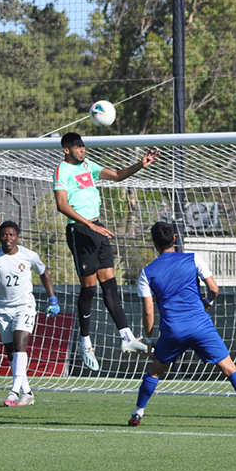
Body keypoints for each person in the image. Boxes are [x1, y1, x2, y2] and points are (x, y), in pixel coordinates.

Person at [128, 222, 236, 428]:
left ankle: (138, 413)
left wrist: (149, 341)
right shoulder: (193, 258)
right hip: (200, 327)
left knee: (155, 372)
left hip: (173, 331)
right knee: (230, 369)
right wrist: (208, 301)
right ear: (174, 239)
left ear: (154, 244)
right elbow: (214, 288)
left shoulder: (147, 273)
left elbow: (148, 311)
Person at [53, 132, 157, 371]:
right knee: (89, 288)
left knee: (110, 284)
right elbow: (61, 204)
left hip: (97, 227)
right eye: (78, 147)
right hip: (80, 231)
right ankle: (85, 342)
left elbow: (119, 176)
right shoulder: (62, 170)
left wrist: (141, 164)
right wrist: (89, 225)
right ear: (67, 150)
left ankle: (127, 338)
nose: (83, 150)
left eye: (83, 146)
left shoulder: (89, 166)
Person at [0, 221, 59, 407]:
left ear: (18, 237)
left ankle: (14, 392)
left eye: (11, 234)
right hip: (2, 308)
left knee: (19, 345)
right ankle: (28, 392)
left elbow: (44, 273)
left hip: (25, 306)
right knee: (11, 353)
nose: (8, 238)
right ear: (0, 237)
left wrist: (52, 299)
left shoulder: (28, 255)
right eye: (4, 235)